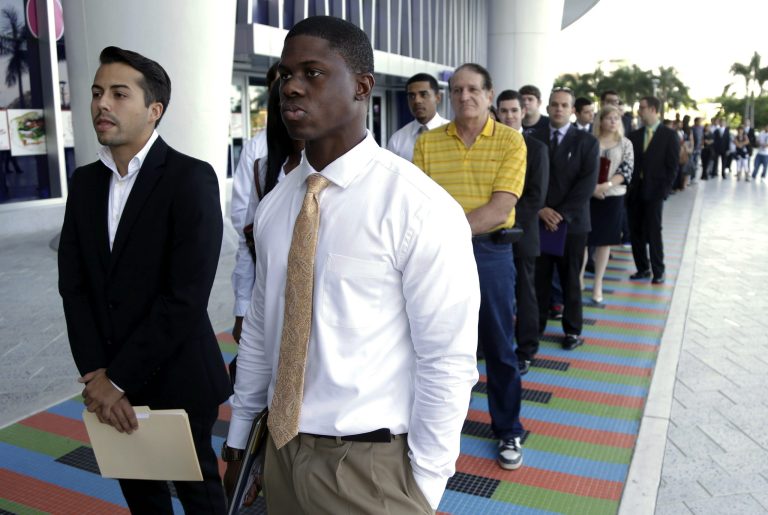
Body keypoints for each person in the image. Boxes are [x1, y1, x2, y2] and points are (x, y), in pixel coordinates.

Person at [224, 16, 480, 514]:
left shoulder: (417, 207)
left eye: (313, 73)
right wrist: (240, 437)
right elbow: (260, 328)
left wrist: (424, 485)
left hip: (370, 466)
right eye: (284, 74)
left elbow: (447, 359)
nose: (291, 87)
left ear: (363, 86)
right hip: (279, 451)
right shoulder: (278, 203)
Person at [58, 46, 230, 514]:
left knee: (201, 499)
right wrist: (98, 376)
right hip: (110, 380)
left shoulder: (190, 178)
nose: (101, 105)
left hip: (177, 375)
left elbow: (186, 297)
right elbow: (74, 289)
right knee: (142, 498)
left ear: (154, 110)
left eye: (118, 93)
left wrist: (118, 378)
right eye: (96, 93)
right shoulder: (85, 184)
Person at [414, 63, 527, 471]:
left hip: (490, 255)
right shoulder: (429, 143)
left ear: (489, 93)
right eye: (457, 90)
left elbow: (501, 208)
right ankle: (434, 430)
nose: (465, 97)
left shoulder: (512, 142)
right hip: (439, 257)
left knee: (499, 346)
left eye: (473, 89)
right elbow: (420, 202)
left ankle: (508, 428)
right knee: (435, 343)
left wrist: (447, 233)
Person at [531, 87, 599, 351]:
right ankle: (533, 329)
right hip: (538, 220)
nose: (558, 109)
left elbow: (586, 184)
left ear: (572, 111)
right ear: (547, 108)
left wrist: (560, 214)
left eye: (564, 105)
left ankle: (572, 330)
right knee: (539, 280)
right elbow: (525, 179)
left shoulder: (587, 142)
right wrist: (541, 209)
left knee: (571, 279)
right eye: (554, 105)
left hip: (572, 224)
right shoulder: (532, 138)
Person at [496, 89, 549, 374]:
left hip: (521, 233)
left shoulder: (537, 149)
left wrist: (505, 219)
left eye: (513, 111)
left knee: (525, 293)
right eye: (503, 111)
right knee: (493, 295)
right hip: (490, 235)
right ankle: (490, 345)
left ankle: (526, 349)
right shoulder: (487, 146)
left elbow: (536, 197)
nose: (509, 116)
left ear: (523, 112)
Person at [231, 63, 280, 343]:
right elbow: (244, 226)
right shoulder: (257, 151)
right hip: (265, 276)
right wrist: (241, 308)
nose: (290, 89)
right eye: (281, 81)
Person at [580, 105, 633, 305]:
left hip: (612, 197)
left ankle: (598, 283)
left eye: (616, 118)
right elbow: (580, 168)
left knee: (604, 242)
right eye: (609, 118)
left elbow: (627, 170)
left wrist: (606, 185)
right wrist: (592, 189)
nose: (613, 121)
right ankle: (579, 278)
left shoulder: (625, 144)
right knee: (583, 239)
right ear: (600, 120)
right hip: (588, 196)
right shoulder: (589, 141)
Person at [626, 96, 680, 285]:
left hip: (655, 192)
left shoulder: (669, 135)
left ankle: (659, 270)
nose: (639, 111)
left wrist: (664, 190)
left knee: (654, 231)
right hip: (635, 192)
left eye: (642, 107)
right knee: (635, 231)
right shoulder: (634, 135)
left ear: (654, 110)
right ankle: (642, 268)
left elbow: (673, 167)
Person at [387, 73, 449, 161]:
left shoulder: (453, 133)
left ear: (438, 97)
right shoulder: (397, 140)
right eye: (412, 96)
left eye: (423, 94)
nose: (417, 101)